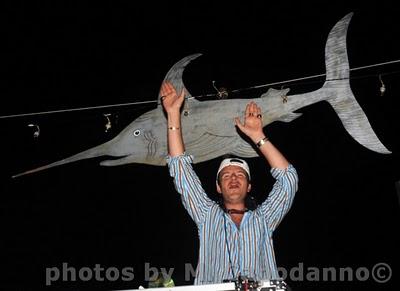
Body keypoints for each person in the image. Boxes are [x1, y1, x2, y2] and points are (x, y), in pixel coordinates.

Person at [160, 81, 298, 285]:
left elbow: (288, 178)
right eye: (226, 176)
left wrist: (258, 136)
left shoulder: (265, 217)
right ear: (218, 187)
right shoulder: (206, 214)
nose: (233, 178)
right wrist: (173, 114)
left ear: (249, 186)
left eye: (240, 175)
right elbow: (181, 169)